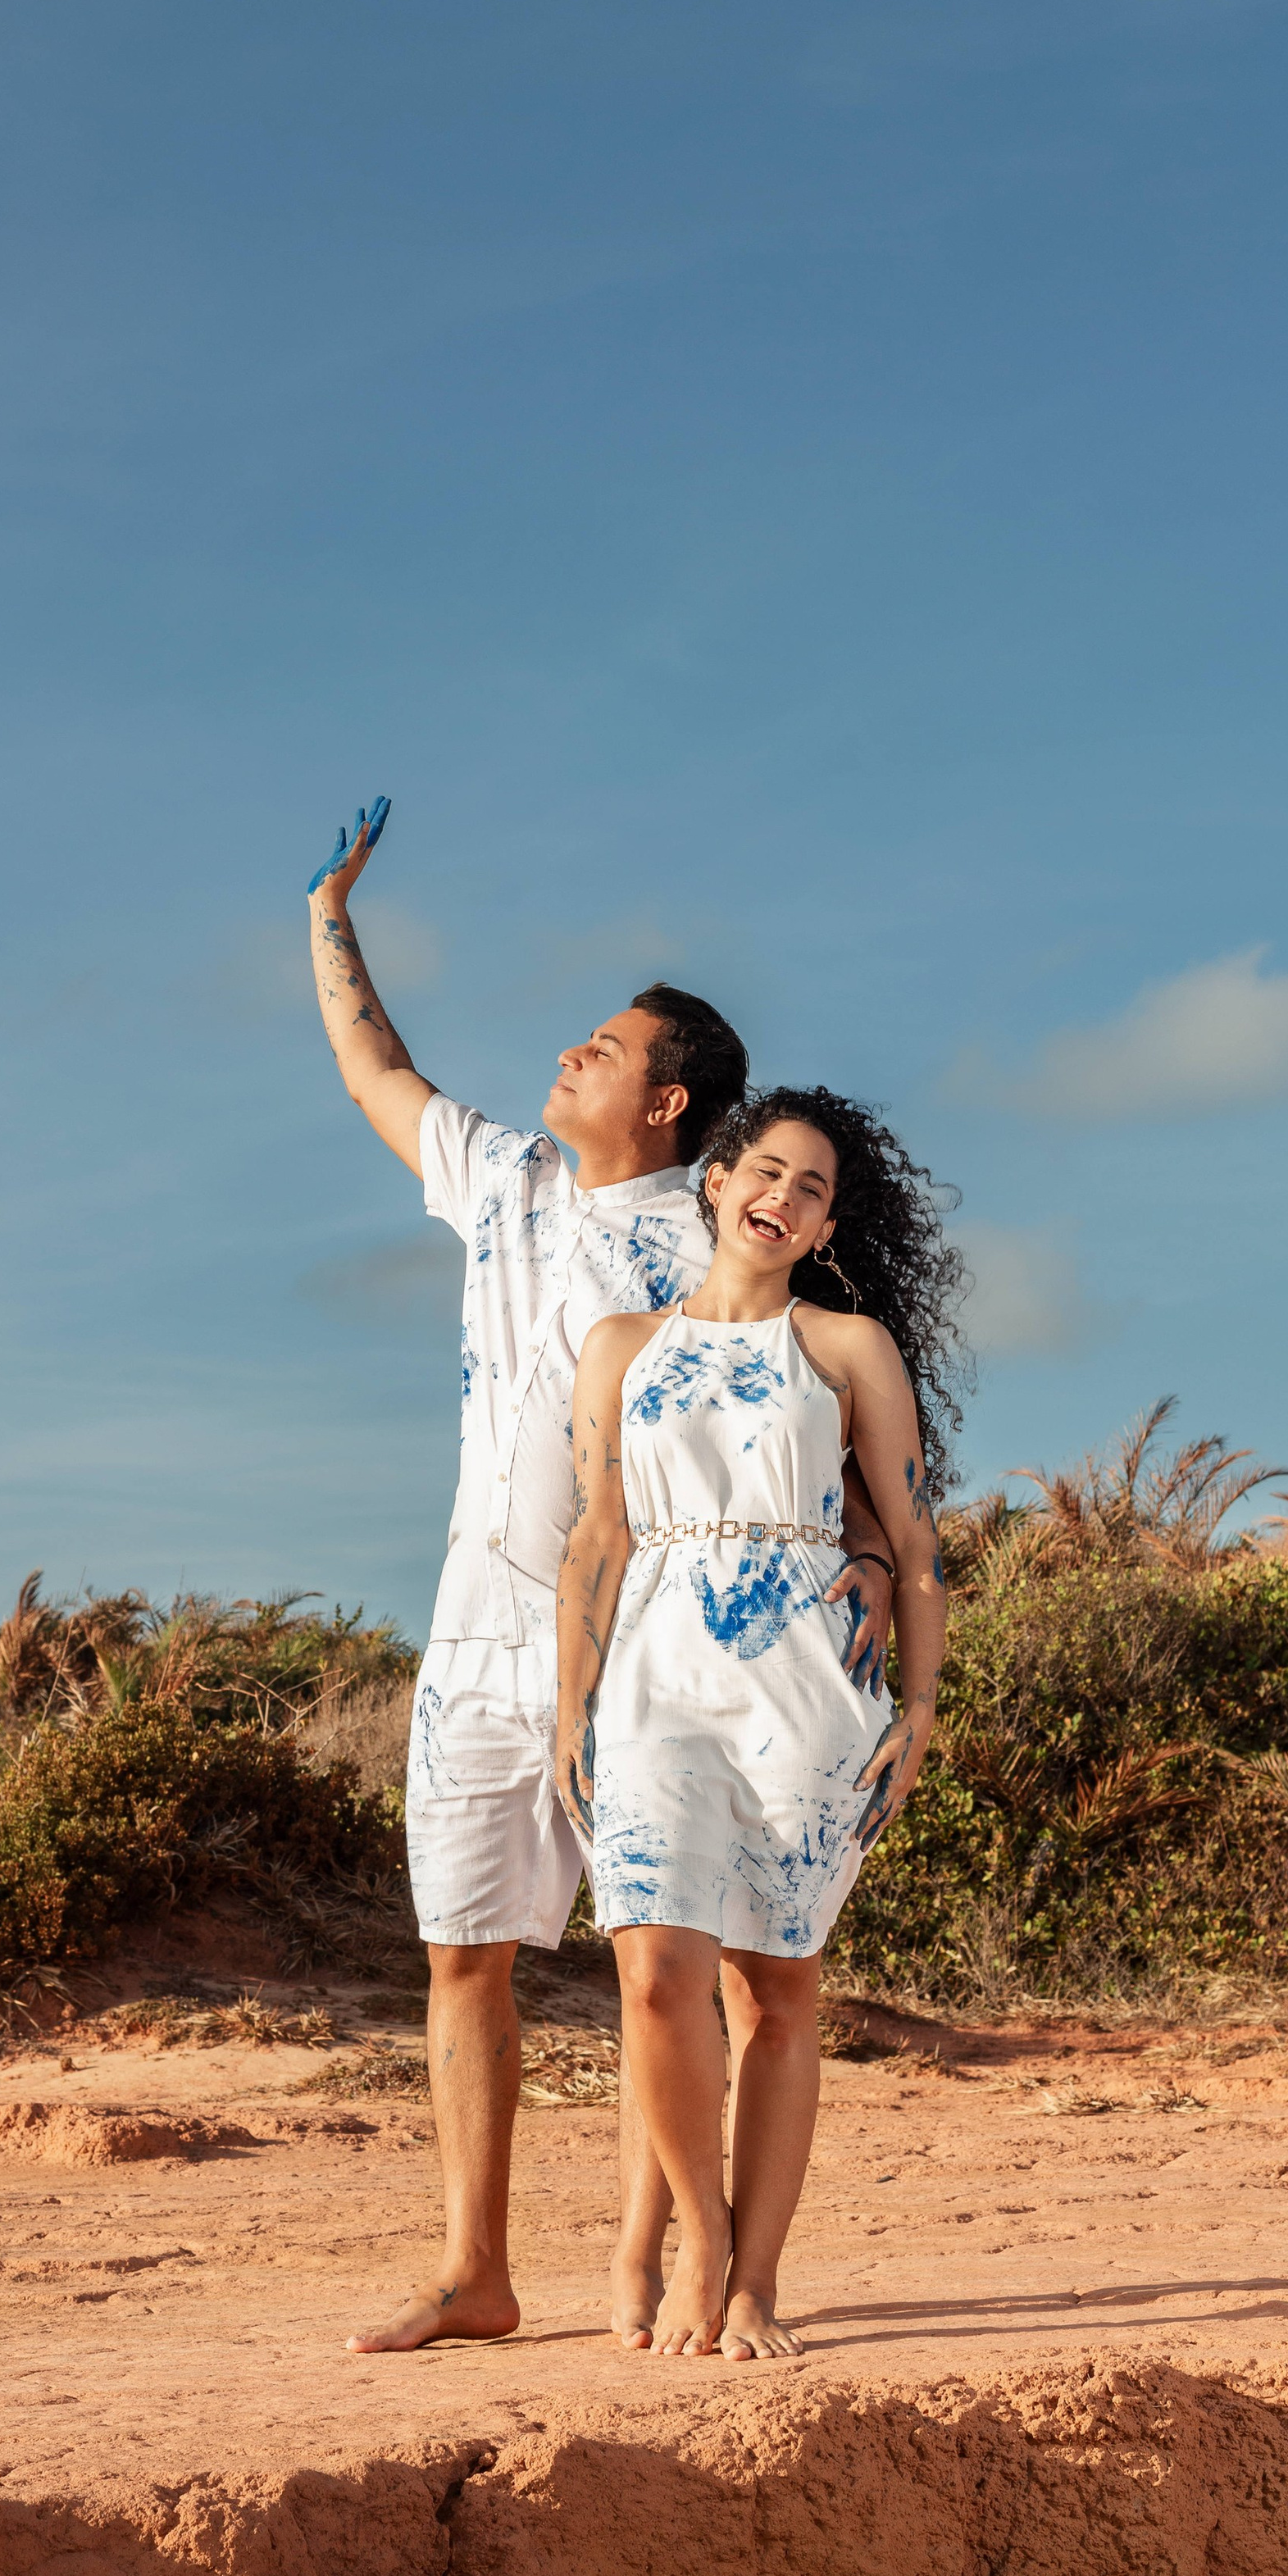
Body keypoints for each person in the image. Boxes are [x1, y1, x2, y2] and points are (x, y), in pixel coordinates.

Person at [305, 803, 898, 2354]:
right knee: (461, 1949)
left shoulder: (702, 1245)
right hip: (476, 1625)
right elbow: (377, 1072)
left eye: (600, 1047)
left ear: (670, 1101)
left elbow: (800, 1425)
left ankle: (673, 2252)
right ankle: (474, 2269)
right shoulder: (500, 1181)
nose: (564, 1058)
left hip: (644, 1641)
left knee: (672, 1956)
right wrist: (328, 916)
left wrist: (876, 1569)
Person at [556, 1085, 962, 2360]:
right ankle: (697, 2234)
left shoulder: (846, 1348)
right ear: (718, 1180)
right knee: (652, 1971)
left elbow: (916, 1544)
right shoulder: (623, 1345)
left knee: (774, 1989)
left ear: (828, 1225)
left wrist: (922, 1713)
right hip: (658, 1674)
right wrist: (569, 1707)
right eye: (768, 1173)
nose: (784, 1200)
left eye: (814, 1191)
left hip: (807, 1688)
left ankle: (754, 2282)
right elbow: (598, 1537)